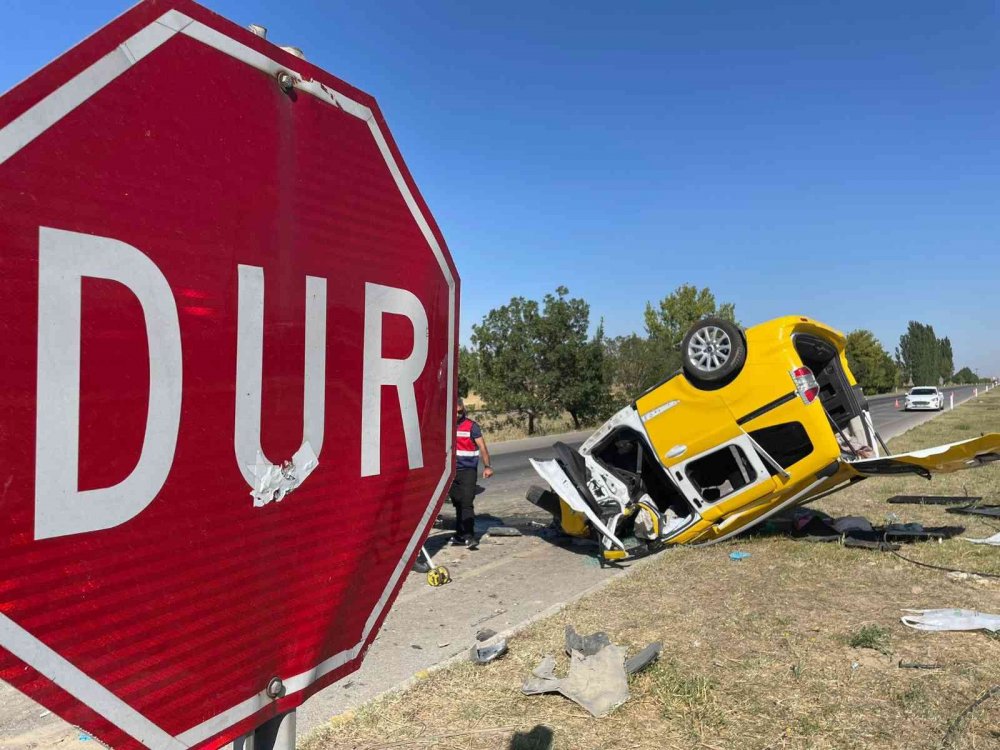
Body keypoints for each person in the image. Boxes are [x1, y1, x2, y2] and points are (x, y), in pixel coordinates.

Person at [449, 398, 493, 547]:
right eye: (454, 412)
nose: (457, 415)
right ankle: (459, 535)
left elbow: (483, 447)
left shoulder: (471, 427)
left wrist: (487, 466)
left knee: (467, 503)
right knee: (458, 503)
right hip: (450, 473)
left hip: (468, 471)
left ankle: (469, 536)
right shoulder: (446, 426)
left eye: (460, 412)